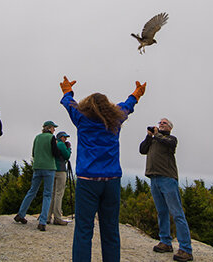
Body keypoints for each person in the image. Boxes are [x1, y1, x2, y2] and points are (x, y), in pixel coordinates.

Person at [60, 76, 146, 262]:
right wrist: (137, 93)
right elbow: (128, 104)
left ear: (87, 105)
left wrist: (68, 90)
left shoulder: (80, 117)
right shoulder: (117, 117)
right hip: (111, 180)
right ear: (108, 106)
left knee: (83, 230)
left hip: (88, 181)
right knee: (110, 230)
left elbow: (68, 102)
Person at [139, 118, 193, 262]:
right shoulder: (154, 140)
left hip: (168, 179)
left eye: (164, 123)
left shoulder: (170, 139)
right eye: (160, 122)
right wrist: (148, 136)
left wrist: (156, 134)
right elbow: (142, 150)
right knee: (161, 212)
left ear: (169, 127)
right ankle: (165, 242)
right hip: (154, 178)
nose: (160, 124)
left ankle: (186, 249)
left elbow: (169, 143)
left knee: (177, 213)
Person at [13, 120, 60, 231]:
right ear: (49, 128)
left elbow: (33, 153)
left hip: (37, 167)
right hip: (49, 168)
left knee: (32, 191)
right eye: (53, 128)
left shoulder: (37, 137)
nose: (54, 130)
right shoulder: (51, 138)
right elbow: (56, 153)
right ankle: (42, 222)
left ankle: (21, 214)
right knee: (47, 194)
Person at [47, 131, 72, 226]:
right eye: (64, 137)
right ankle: (57, 217)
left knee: (52, 193)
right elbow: (67, 156)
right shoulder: (61, 144)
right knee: (59, 194)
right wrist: (69, 149)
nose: (65, 139)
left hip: (53, 169)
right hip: (61, 170)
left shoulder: (55, 143)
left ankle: (47, 217)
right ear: (60, 137)